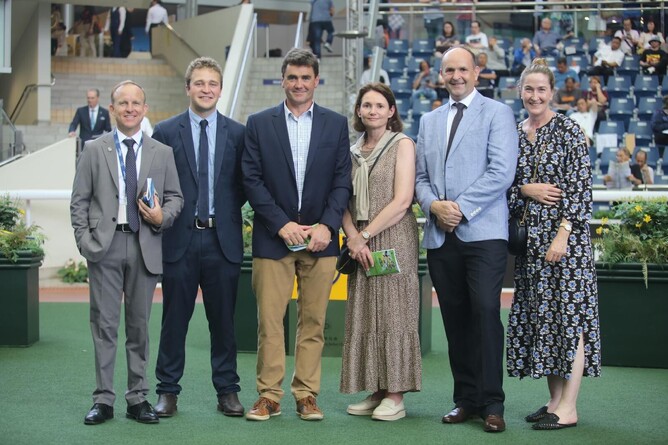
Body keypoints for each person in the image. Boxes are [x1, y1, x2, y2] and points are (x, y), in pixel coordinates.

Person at [242, 48, 351, 422]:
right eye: (292, 77)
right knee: (269, 323)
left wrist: (327, 225)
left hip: (321, 242)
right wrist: (281, 224)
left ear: (316, 81)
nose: (299, 84)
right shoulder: (258, 123)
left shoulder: (335, 124)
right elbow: (251, 180)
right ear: (283, 79)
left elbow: (342, 182)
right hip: (275, 240)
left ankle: (307, 395)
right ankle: (269, 396)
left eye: (306, 78)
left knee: (314, 323)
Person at [415, 46, 518, 433]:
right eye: (448, 70)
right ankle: (466, 400)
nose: (455, 76)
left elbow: (501, 172)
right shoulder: (428, 120)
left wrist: (457, 207)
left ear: (477, 72)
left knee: (485, 312)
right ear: (441, 75)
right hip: (441, 235)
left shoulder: (498, 113)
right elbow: (421, 179)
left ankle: (493, 402)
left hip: (483, 232)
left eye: (462, 69)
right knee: (455, 318)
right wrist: (434, 207)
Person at [71, 80, 184, 426]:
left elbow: (175, 198)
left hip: (144, 245)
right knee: (104, 326)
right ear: (112, 109)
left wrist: (162, 216)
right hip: (104, 248)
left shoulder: (161, 152)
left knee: (139, 327)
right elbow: (79, 202)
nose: (130, 108)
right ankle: (103, 400)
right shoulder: (94, 149)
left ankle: (137, 398)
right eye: (123, 103)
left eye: (136, 103)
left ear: (145, 109)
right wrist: (88, 244)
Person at [506, 58, 601, 432]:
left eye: (541, 89)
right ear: (520, 92)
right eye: (528, 89)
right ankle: (554, 401)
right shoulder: (513, 133)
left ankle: (570, 407)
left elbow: (580, 191)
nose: (534, 95)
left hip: (567, 242)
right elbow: (504, 187)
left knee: (570, 320)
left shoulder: (569, 131)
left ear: (552, 92)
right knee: (545, 319)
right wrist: (523, 190)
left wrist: (563, 233)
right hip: (531, 244)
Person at [151, 57, 247, 419]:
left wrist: (219, 215)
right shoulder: (164, 131)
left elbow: (242, 186)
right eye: (199, 83)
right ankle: (167, 392)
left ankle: (227, 391)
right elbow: (155, 185)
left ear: (220, 90)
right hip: (179, 240)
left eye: (212, 83)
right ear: (188, 87)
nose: (206, 89)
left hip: (222, 242)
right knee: (174, 320)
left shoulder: (238, 133)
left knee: (223, 322)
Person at [340, 83, 421, 422]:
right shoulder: (351, 150)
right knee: (366, 312)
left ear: (391, 112)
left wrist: (365, 236)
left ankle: (396, 394)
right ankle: (375, 389)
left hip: (392, 237)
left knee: (394, 312)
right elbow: (341, 198)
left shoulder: (402, 144)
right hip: (359, 239)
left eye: (379, 105)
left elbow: (402, 201)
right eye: (366, 105)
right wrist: (353, 237)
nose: (372, 110)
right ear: (358, 111)